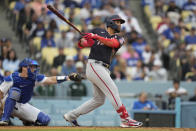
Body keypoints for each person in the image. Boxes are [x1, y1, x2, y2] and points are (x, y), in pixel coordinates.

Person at [63, 15, 143, 127]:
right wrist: (85, 40)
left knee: (99, 100)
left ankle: (71, 116)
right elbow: (82, 44)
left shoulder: (119, 38)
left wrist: (95, 37)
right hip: (95, 66)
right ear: (111, 22)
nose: (120, 24)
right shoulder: (98, 32)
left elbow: (112, 44)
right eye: (118, 22)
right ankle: (125, 119)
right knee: (113, 89)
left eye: (120, 22)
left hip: (103, 69)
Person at [0, 58, 82, 126]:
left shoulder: (34, 78)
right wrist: (1, 108)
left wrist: (67, 77)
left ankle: (27, 121)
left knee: (45, 120)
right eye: (32, 67)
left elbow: (51, 79)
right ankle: (5, 119)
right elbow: (0, 93)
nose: (34, 69)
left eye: (35, 67)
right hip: (6, 103)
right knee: (15, 91)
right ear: (24, 68)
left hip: (21, 105)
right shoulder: (13, 77)